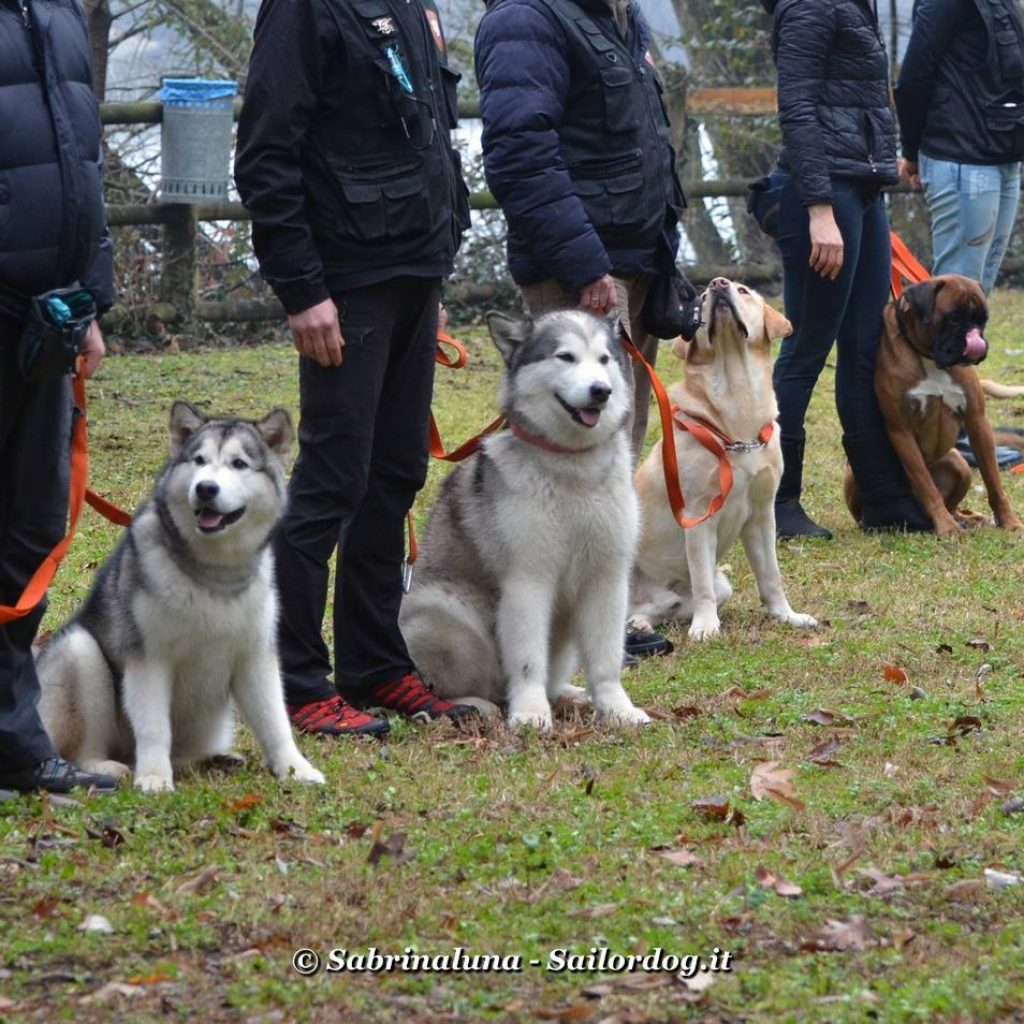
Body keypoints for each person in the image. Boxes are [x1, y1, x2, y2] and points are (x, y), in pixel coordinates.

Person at [235, 0, 477, 737]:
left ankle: (373, 664)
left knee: (396, 469)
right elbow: (266, 155)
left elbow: (427, 137)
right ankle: (295, 679)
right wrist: (303, 290)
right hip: (347, 277)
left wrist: (433, 275)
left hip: (413, 269)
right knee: (334, 479)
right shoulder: (302, 11)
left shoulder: (409, 5)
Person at [475, 0, 688, 659]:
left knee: (614, 449)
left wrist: (659, 243)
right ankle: (553, 626)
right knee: (557, 462)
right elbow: (520, 154)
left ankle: (606, 615)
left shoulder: (618, 18)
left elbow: (640, 136)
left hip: (632, 259)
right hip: (583, 273)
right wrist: (587, 265)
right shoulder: (526, 19)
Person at [755, 0, 931, 538]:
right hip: (824, 192)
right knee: (807, 345)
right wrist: (818, 208)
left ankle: (882, 497)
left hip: (863, 186)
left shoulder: (856, 5)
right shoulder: (810, 5)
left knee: (865, 344)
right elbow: (799, 107)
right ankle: (778, 503)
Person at [0, 0, 115, 794]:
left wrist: (92, 300)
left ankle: (12, 743)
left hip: (48, 317)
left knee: (32, 528)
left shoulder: (59, 13)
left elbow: (84, 161)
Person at [895, 0, 1024, 294]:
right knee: (956, 296)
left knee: (979, 292)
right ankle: (943, 341)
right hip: (959, 156)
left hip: (1002, 155)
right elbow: (913, 79)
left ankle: (968, 339)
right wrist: (911, 151)